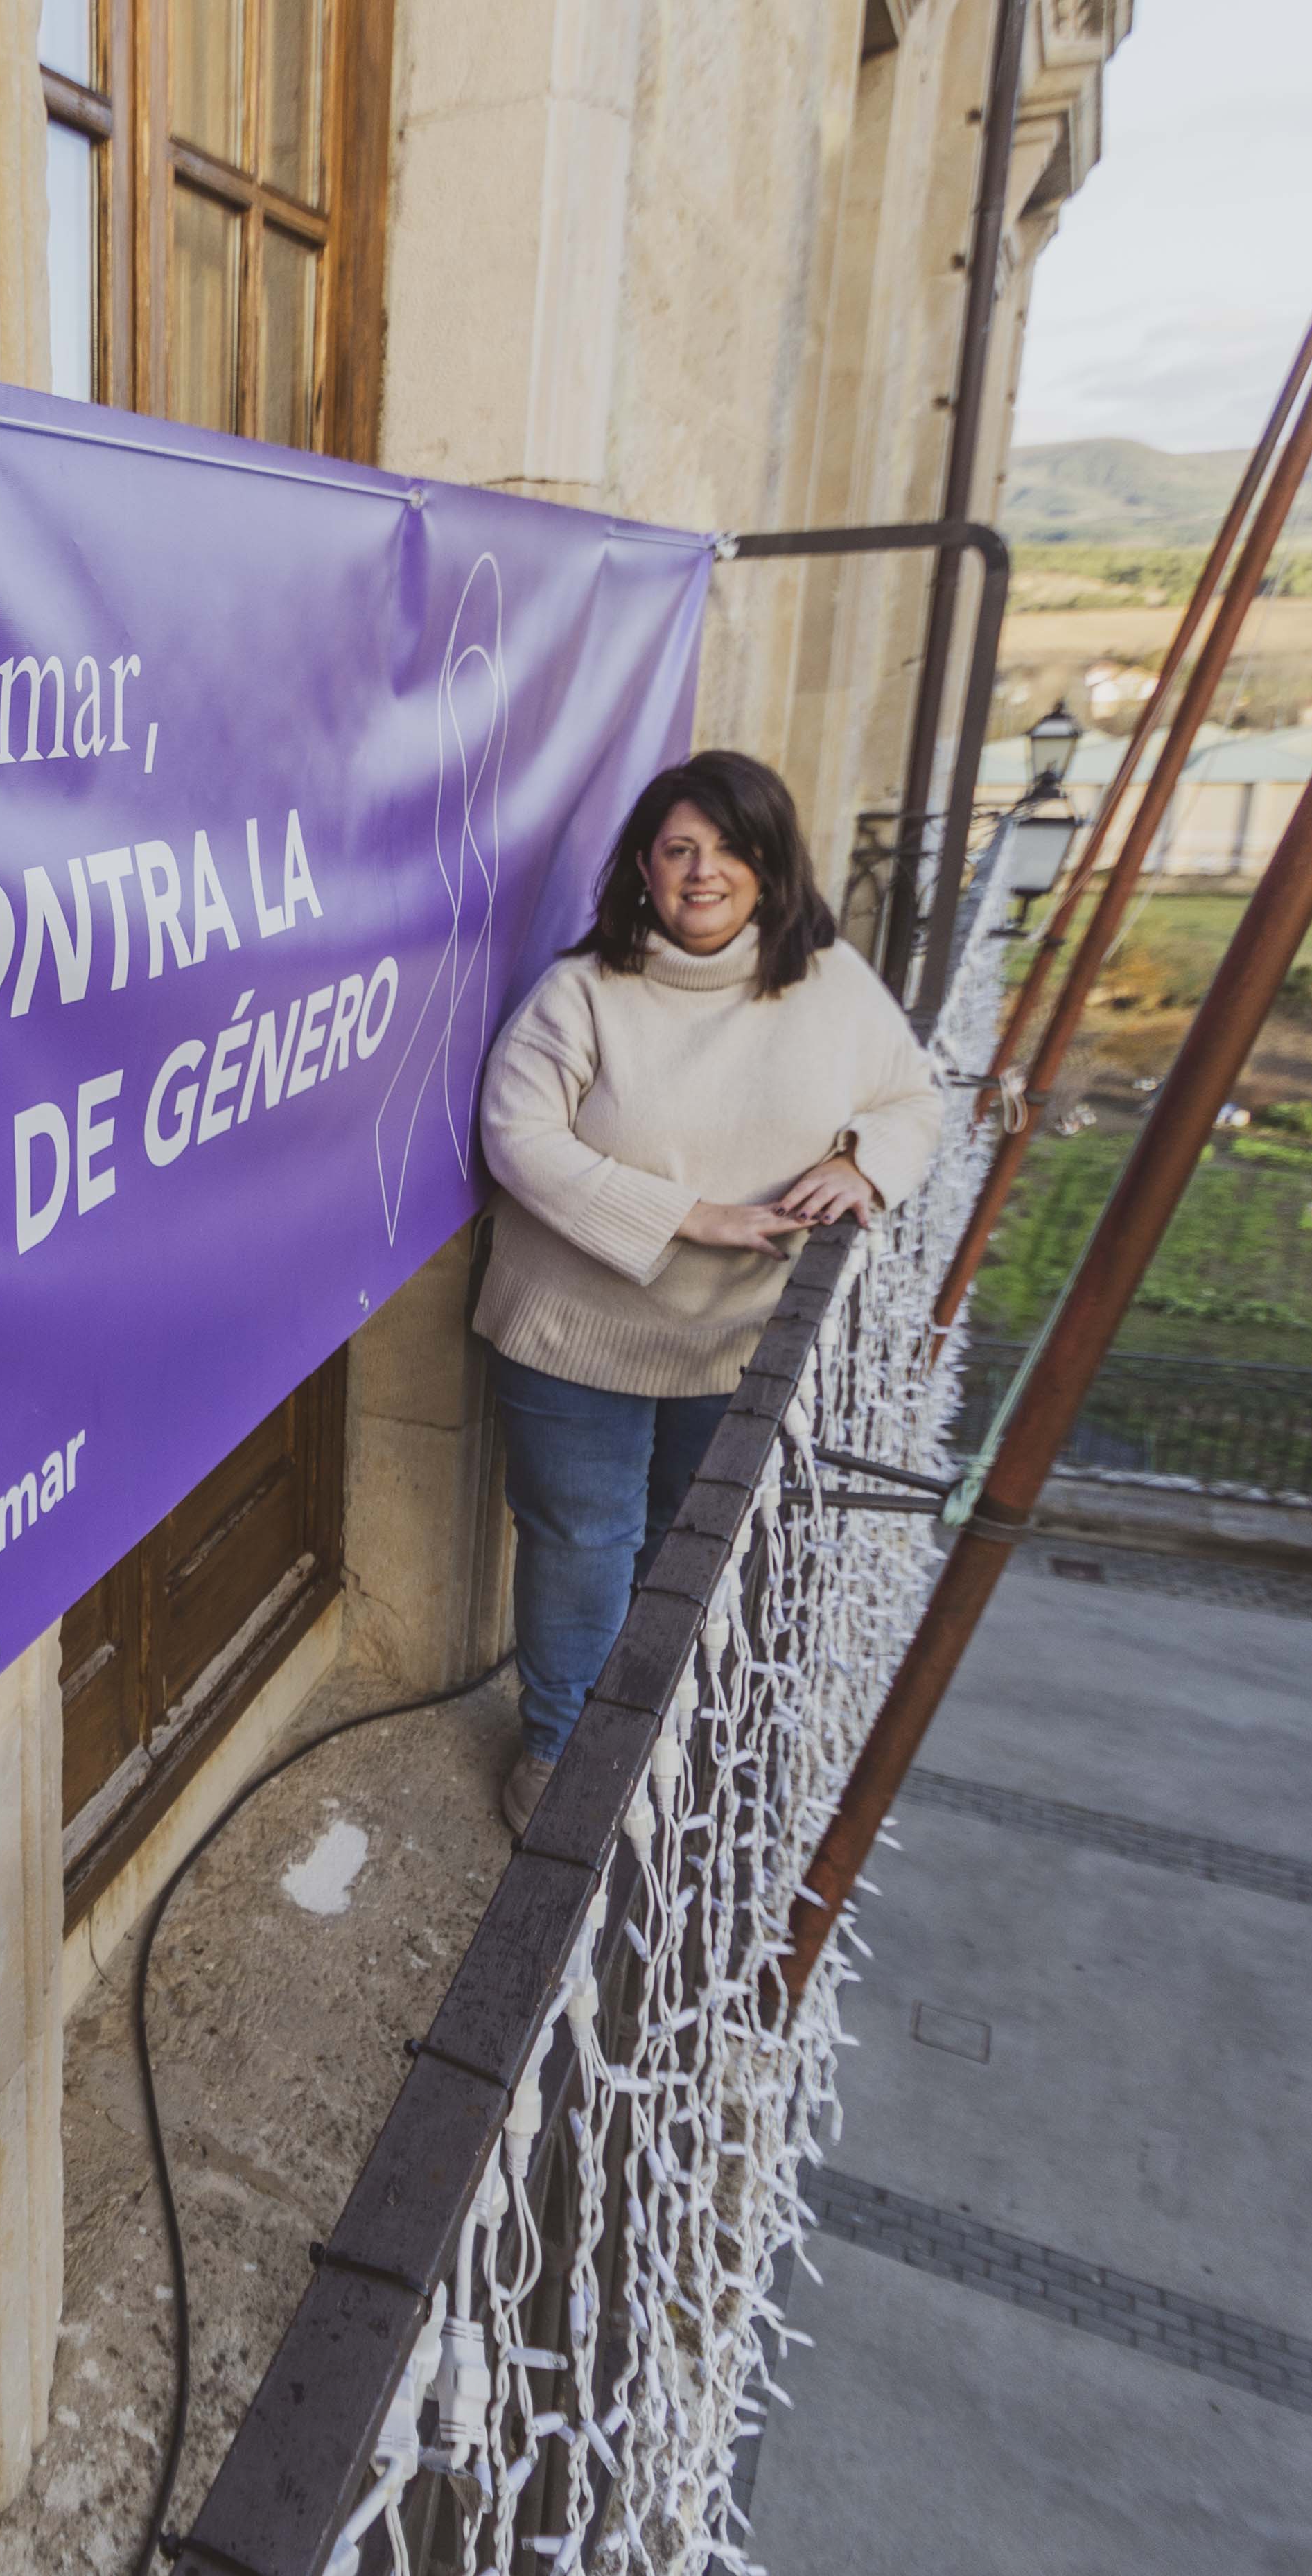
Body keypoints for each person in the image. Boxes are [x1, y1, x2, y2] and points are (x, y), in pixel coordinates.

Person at [472, 750, 942, 1834]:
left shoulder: (829, 986)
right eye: (679, 848)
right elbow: (518, 1139)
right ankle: (555, 1756)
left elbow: (911, 1096)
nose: (703, 872)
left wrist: (864, 1159)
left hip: (735, 1336)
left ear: (772, 869)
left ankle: (635, 1730)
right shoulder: (581, 993)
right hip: (577, 1330)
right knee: (580, 1541)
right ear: (642, 867)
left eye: (730, 849)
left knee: (677, 1542)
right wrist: (697, 1217)